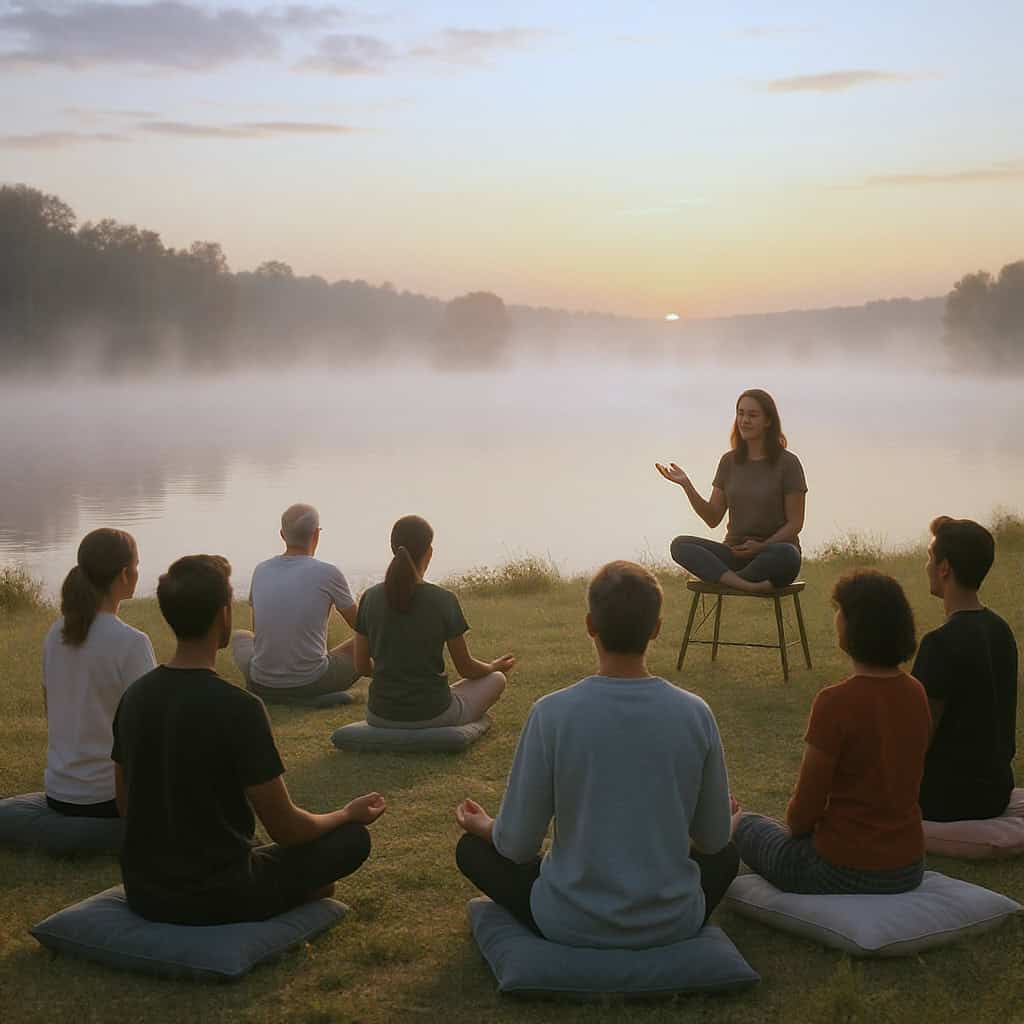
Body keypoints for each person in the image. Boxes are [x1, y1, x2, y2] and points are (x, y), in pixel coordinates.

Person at [454, 561, 739, 949]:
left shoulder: (552, 713)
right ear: (656, 629)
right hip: (674, 920)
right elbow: (713, 840)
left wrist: (485, 826)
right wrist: (723, 821)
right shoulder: (695, 713)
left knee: (472, 850)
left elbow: (518, 846)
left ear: (590, 625)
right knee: (726, 856)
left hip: (569, 920)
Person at [112, 554, 385, 925]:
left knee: (275, 860)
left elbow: (126, 806)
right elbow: (287, 829)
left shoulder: (134, 697)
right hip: (223, 892)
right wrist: (345, 814)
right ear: (224, 615)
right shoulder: (240, 708)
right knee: (352, 840)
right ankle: (302, 890)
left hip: (145, 891)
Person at [733, 570, 929, 894]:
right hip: (908, 867)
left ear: (856, 625)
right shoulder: (916, 692)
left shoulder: (835, 703)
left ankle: (733, 821)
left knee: (744, 825)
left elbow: (800, 817)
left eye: (840, 610)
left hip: (840, 870)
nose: (836, 618)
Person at [353, 515, 513, 728]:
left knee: (459, 690)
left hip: (380, 714)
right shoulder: (443, 599)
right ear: (429, 552)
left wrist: (393, 674)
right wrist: (493, 666)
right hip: (433, 713)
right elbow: (467, 669)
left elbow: (361, 666)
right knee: (497, 680)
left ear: (393, 549)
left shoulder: (369, 597)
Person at [42, 528, 155, 819]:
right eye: (136, 565)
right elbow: (150, 729)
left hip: (58, 792)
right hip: (109, 797)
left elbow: (50, 708)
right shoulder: (131, 642)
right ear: (124, 574)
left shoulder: (56, 632)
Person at [914, 516, 1018, 822]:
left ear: (945, 568)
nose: (926, 566)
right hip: (997, 791)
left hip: (947, 799)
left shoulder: (939, 644)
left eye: (929, 558)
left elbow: (918, 736)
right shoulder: (1001, 629)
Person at [657, 388, 806, 593]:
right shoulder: (729, 462)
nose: (744, 420)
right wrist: (687, 485)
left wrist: (762, 547)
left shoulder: (788, 463)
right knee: (680, 545)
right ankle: (746, 585)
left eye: (752, 415)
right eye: (740, 413)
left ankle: (725, 579)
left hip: (771, 554)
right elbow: (713, 518)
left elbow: (795, 523)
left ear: (768, 421)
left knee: (788, 555)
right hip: (733, 554)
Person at [231, 503, 360, 704]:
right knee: (364, 640)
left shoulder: (261, 570)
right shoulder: (328, 572)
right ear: (317, 534)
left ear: (282, 535)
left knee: (240, 636)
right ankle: (309, 696)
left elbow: (259, 632)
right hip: (313, 680)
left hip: (262, 680)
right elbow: (361, 626)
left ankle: (274, 692)